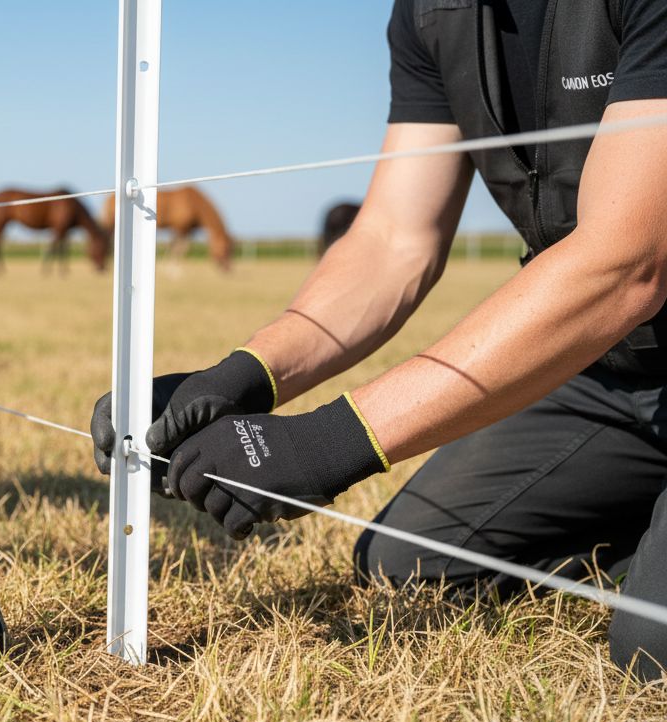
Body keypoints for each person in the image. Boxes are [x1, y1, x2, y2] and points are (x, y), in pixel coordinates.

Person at [92, 0, 667, 681]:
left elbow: (625, 263)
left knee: (651, 650)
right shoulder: (431, 12)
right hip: (610, 373)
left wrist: (326, 443)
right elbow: (395, 238)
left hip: (618, 315)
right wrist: (243, 375)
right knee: (407, 563)